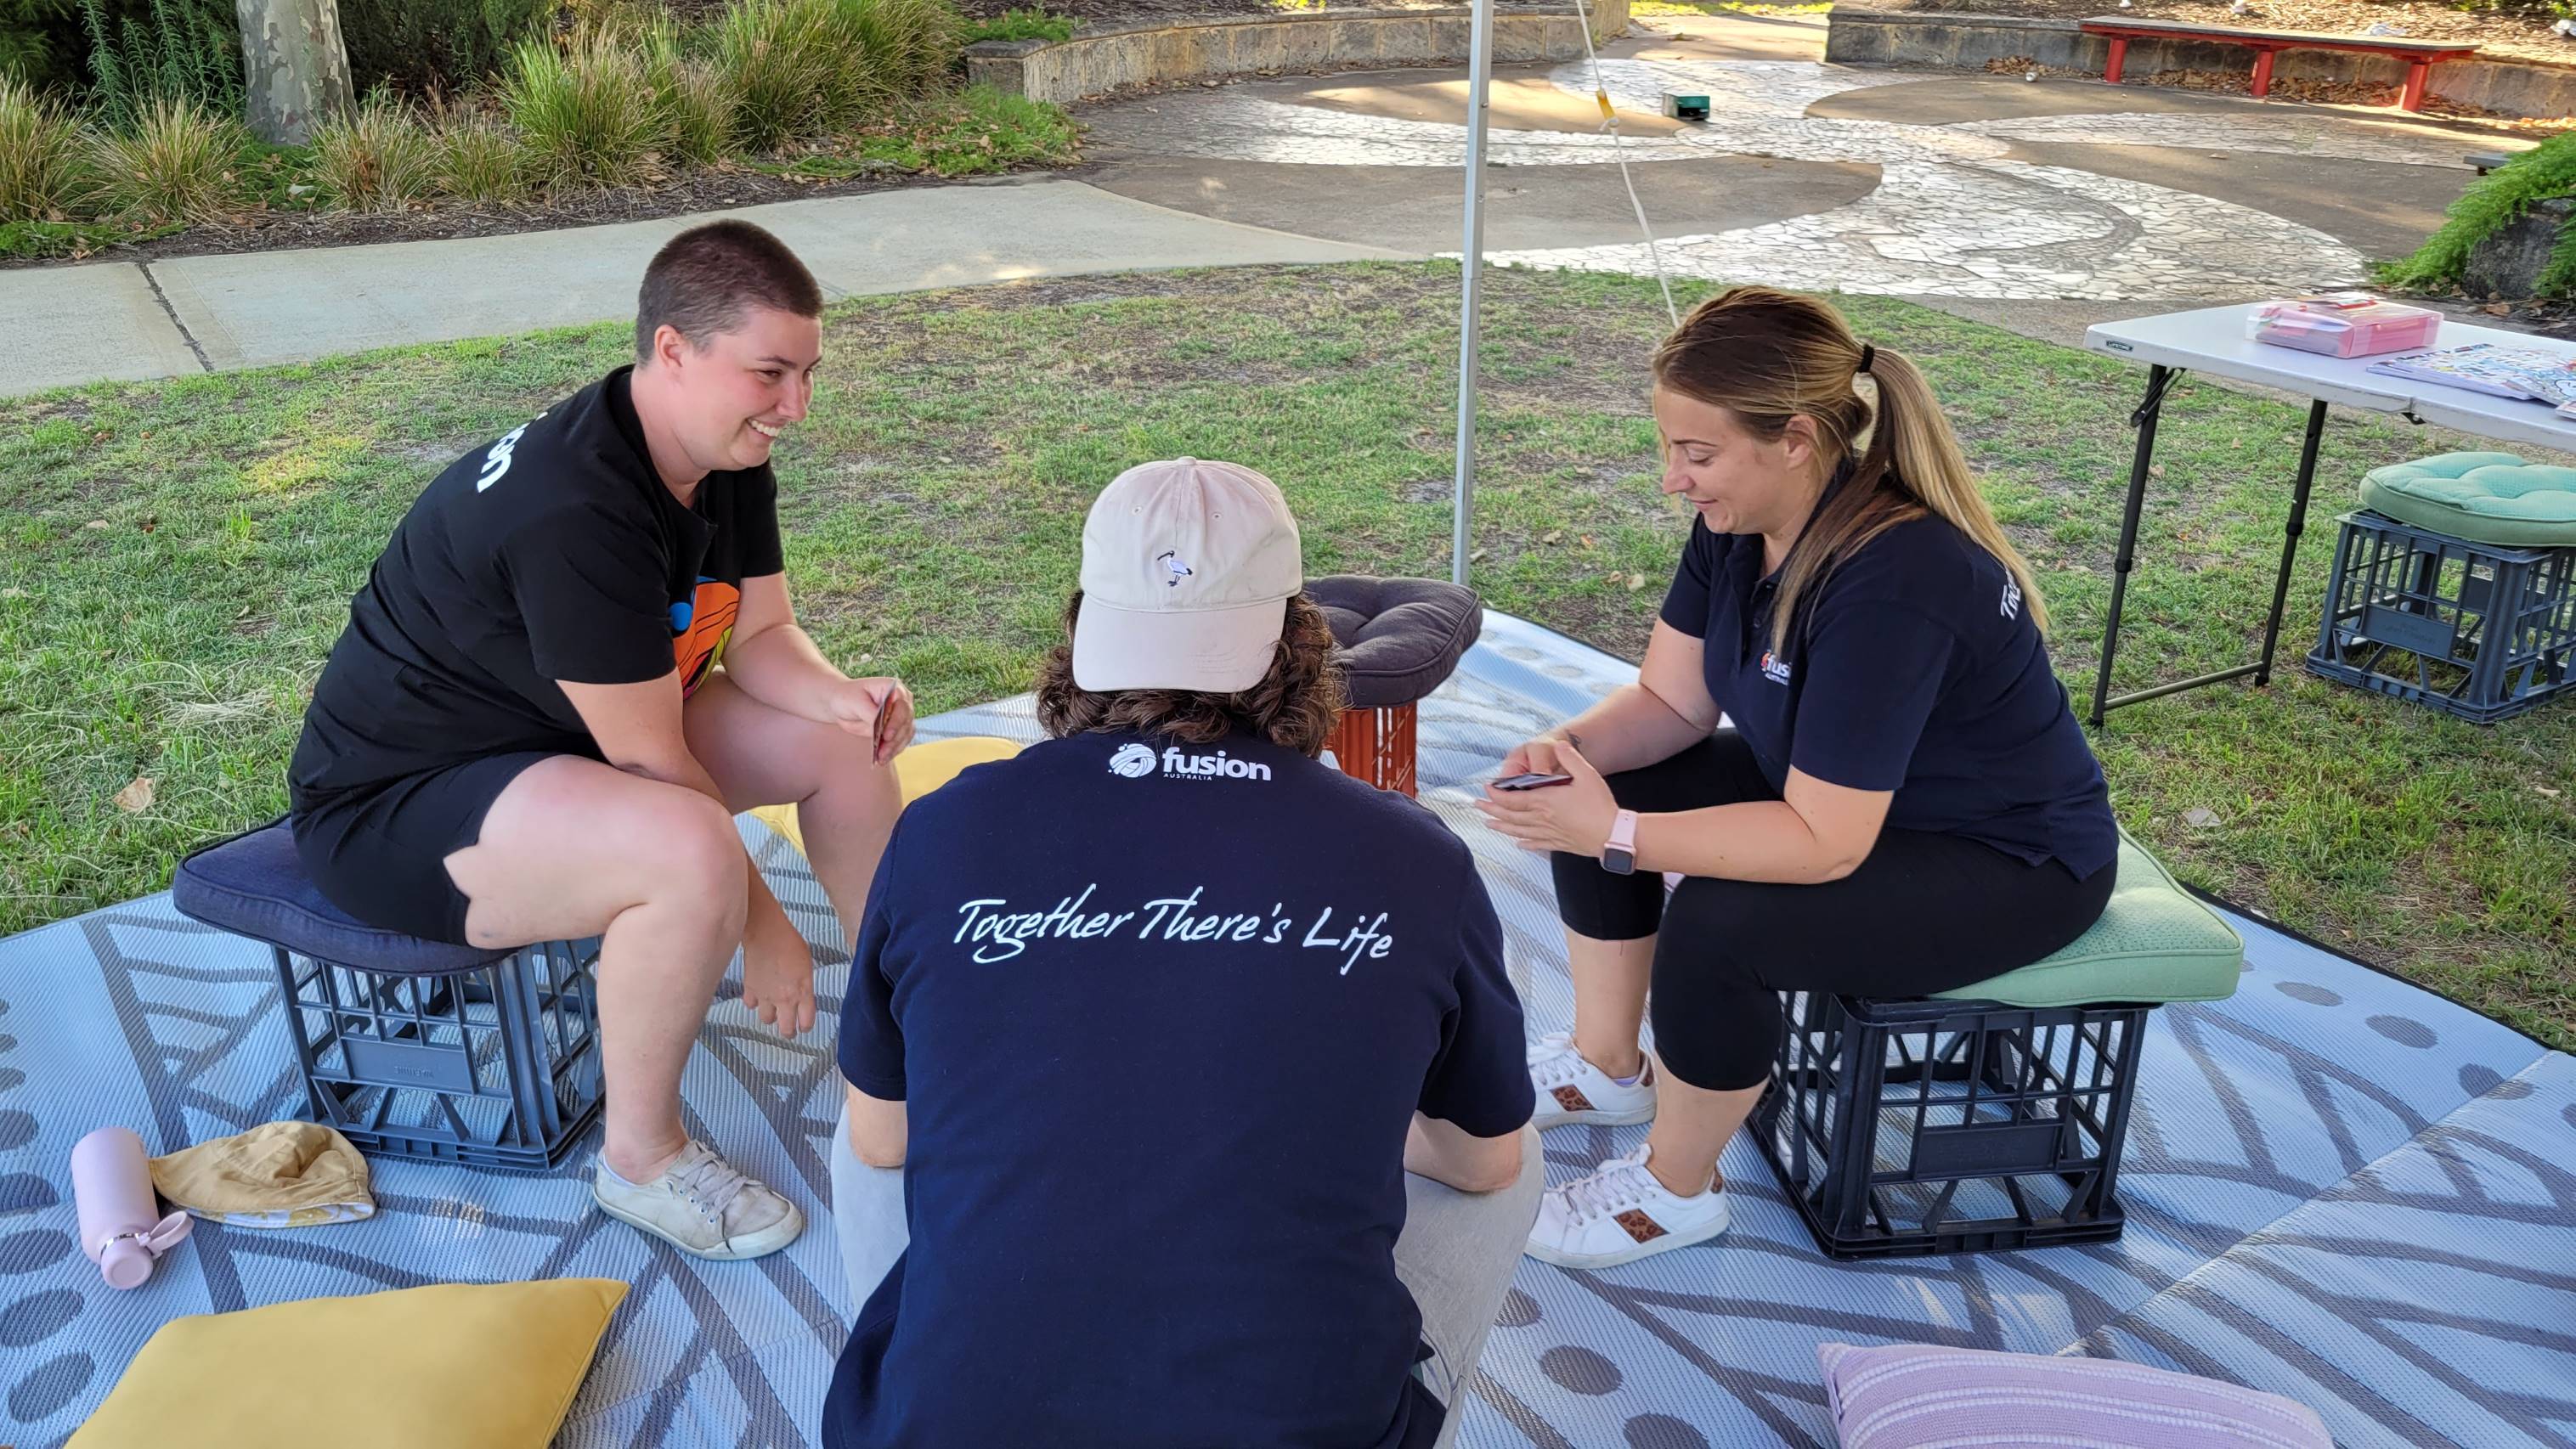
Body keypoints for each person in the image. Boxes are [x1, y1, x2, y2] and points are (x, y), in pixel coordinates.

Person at [822, 458, 1541, 1449]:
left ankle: (941, 1344)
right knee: (1519, 1141)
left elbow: (884, 1139)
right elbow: (1483, 1158)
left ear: (1080, 630)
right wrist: (1346, 1119)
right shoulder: (1413, 854)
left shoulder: (943, 829)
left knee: (872, 1111)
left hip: (945, 1426)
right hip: (1300, 1425)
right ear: (1300, 640)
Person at [287, 220, 913, 1261]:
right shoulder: (571, 506)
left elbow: (758, 633)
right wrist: (763, 923)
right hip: (400, 802)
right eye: (770, 373)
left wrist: (839, 696)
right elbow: (653, 766)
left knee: (844, 746)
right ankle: (642, 1159)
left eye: (805, 374)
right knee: (690, 852)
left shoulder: (718, 448)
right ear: (673, 349)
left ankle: (910, 1008)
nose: (795, 406)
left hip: (557, 737)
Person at [1476, 285, 2118, 1271]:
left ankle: (1674, 1189)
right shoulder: (1737, 525)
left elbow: (1826, 843)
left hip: (2008, 859)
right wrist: (1568, 754)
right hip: (1856, 804)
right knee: (1609, 795)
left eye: (1696, 453)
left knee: (1720, 923)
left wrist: (1611, 830)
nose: (1670, 480)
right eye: (1668, 447)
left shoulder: (1898, 579)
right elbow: (1672, 704)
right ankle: (1609, 1064)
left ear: (1797, 438)